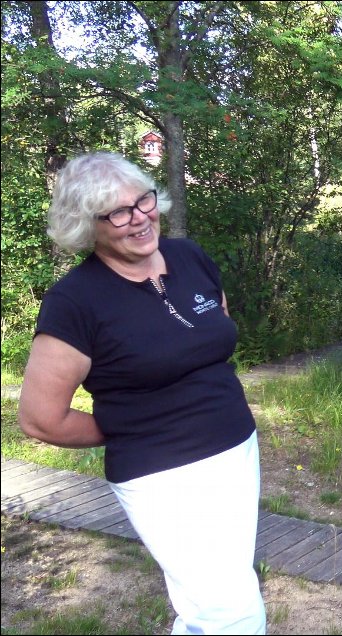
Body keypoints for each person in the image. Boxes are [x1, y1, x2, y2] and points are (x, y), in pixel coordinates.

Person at [18, 152, 267, 634]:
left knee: (214, 595)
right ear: (86, 227)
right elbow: (40, 418)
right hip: (162, 474)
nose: (139, 218)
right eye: (117, 212)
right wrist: (129, 427)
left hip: (237, 451)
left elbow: (218, 328)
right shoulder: (75, 302)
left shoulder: (189, 257)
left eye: (143, 200)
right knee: (229, 610)